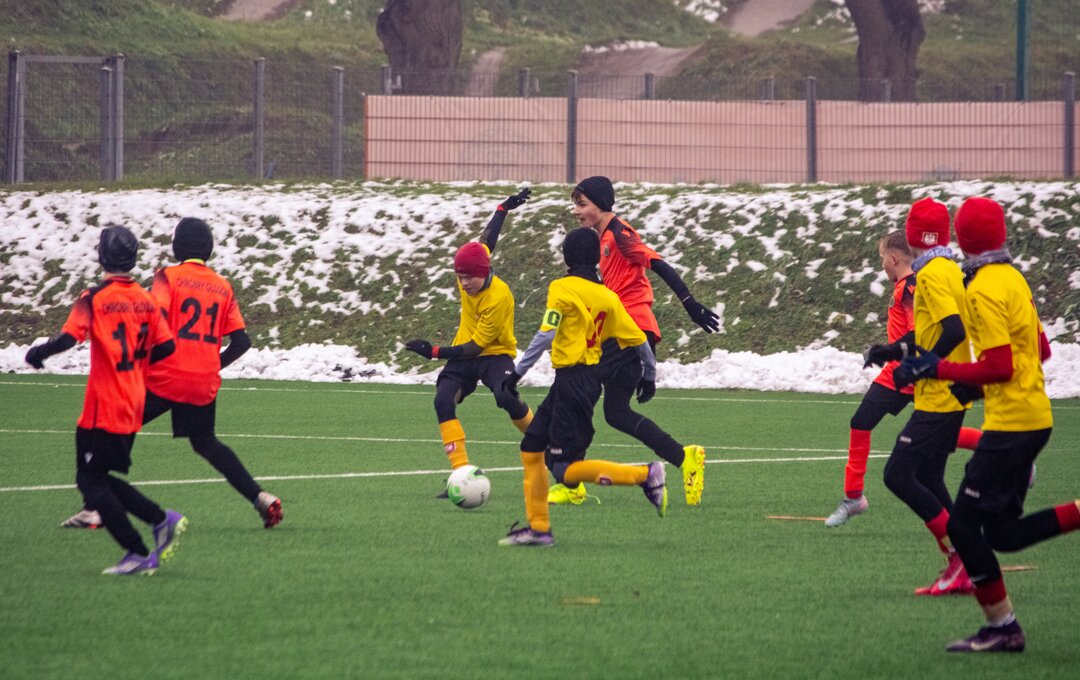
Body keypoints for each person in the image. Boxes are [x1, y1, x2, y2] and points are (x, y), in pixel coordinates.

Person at [898, 197, 1078, 653]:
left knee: (963, 528)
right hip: (1034, 416)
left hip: (1012, 424)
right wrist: (972, 389)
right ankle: (1004, 627)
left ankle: (1003, 627)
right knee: (1002, 535)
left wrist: (938, 369)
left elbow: (999, 365)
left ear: (963, 238)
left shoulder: (981, 288)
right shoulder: (1013, 277)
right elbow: (1039, 351)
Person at [62, 218, 282, 530]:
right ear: (208, 249)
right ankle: (260, 497)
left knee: (119, 428)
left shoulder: (167, 276)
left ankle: (95, 508)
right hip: (202, 384)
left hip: (165, 376)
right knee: (206, 443)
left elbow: (156, 318)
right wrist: (209, 365)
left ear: (177, 246)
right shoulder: (222, 285)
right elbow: (242, 342)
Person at [25, 225, 185, 575]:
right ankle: (161, 520)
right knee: (98, 477)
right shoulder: (146, 299)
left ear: (102, 256)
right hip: (133, 402)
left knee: (90, 482)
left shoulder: (94, 298)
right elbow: (167, 346)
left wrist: (37, 353)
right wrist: (136, 362)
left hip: (104, 405)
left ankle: (138, 551)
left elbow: (68, 338)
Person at [496, 227, 667, 547]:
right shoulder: (607, 297)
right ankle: (539, 528)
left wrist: (517, 372)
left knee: (564, 470)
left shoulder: (561, 288)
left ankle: (645, 475)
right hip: (578, 382)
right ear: (596, 259)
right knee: (531, 447)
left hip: (573, 383)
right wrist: (650, 374)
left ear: (566, 257)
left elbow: (546, 334)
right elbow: (638, 338)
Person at [553, 176, 711, 507]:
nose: (576, 211)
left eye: (582, 204)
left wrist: (690, 303)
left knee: (577, 388)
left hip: (630, 331)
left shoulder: (620, 234)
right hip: (623, 334)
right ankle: (685, 457)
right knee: (615, 412)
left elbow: (658, 263)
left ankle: (571, 482)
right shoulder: (599, 241)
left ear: (600, 205)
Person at [826, 230, 982, 527]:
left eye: (882, 258)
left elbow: (918, 333)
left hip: (910, 370)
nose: (882, 264)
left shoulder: (911, 286)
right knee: (869, 424)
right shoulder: (912, 283)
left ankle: (854, 497)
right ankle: (854, 496)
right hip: (905, 368)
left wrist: (894, 353)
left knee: (886, 437)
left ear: (894, 258)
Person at [405, 189, 534, 481]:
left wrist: (434, 352)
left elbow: (476, 347)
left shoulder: (499, 296)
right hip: (465, 352)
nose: (463, 283)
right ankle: (461, 473)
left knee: (505, 396)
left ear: (485, 272)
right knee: (442, 401)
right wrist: (502, 208)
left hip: (494, 353)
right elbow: (487, 240)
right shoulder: (473, 264)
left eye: (469, 278)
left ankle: (542, 438)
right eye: (459, 277)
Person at [883, 197, 975, 596]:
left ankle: (962, 555)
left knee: (898, 475)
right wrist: (893, 350)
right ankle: (969, 561)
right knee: (929, 477)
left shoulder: (932, 274)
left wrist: (924, 365)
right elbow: (936, 329)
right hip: (950, 391)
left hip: (939, 394)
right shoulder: (949, 268)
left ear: (914, 234)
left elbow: (952, 329)